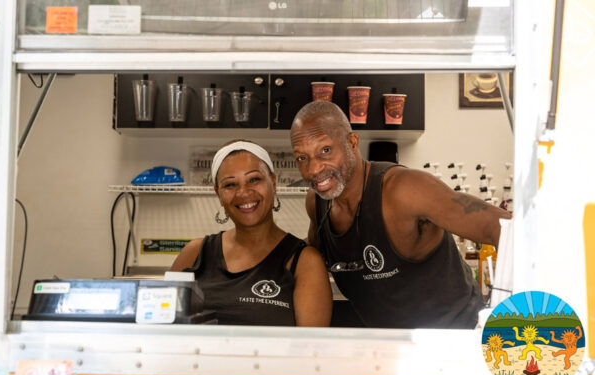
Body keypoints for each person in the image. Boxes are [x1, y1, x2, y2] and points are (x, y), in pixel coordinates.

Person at [289, 101, 512, 329]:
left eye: (325, 150)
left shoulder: (404, 190)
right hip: (392, 350)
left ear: (352, 142)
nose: (314, 169)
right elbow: (311, 257)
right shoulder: (317, 203)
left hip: (458, 340)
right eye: (302, 158)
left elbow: (502, 227)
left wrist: (516, 318)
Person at [171, 140, 332, 327]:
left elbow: (311, 349)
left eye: (254, 179)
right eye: (230, 185)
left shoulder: (304, 262)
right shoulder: (194, 254)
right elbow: (161, 328)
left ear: (273, 182)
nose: (243, 192)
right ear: (219, 194)